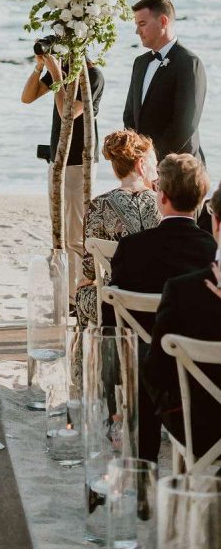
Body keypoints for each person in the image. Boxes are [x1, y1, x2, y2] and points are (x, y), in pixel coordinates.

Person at [108, 152, 216, 461]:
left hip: (149, 372)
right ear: (201, 198)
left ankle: (144, 467)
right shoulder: (212, 251)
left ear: (161, 194)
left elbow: (116, 318)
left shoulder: (131, 250)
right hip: (200, 370)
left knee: (144, 357)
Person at [143, 186, 221, 464]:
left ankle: (145, 472)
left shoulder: (182, 291)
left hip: (200, 429)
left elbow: (156, 372)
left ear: (216, 222)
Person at [21, 48, 104, 302]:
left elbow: (66, 113)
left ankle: (75, 295)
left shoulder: (92, 76)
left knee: (75, 232)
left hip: (79, 161)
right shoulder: (63, 74)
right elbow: (27, 97)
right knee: (60, 231)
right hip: (58, 160)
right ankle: (66, 294)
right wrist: (39, 67)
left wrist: (56, 73)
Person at [75, 130, 160, 330]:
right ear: (141, 165)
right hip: (159, 300)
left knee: (82, 294)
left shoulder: (99, 206)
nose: (156, 172)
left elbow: (89, 270)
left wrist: (85, 281)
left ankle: (88, 359)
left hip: (117, 301)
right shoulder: (163, 202)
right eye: (154, 165)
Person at [123, 0, 206, 163]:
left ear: (162, 21)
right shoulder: (140, 62)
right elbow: (130, 115)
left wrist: (156, 159)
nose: (137, 31)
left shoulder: (189, 63)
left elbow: (185, 124)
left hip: (179, 168)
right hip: (144, 166)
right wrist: (136, 156)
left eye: (142, 24)